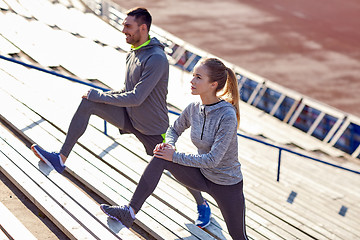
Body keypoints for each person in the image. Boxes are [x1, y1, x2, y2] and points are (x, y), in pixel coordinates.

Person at [31, 7, 211, 228]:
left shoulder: (157, 59)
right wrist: (101, 95)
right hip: (130, 117)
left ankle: (202, 204)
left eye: (128, 26)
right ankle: (60, 159)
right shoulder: (134, 52)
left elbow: (136, 97)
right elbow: (126, 90)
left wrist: (101, 95)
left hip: (153, 127)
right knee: (89, 102)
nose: (123, 30)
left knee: (176, 169)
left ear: (143, 28)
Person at [100, 58, 248, 239]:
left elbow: (212, 160)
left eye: (198, 77)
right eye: (193, 76)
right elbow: (174, 129)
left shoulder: (227, 115)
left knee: (239, 237)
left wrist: (174, 155)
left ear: (213, 84)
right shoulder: (194, 108)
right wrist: (169, 145)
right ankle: (129, 212)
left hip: (227, 185)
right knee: (161, 155)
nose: (192, 81)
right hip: (201, 176)